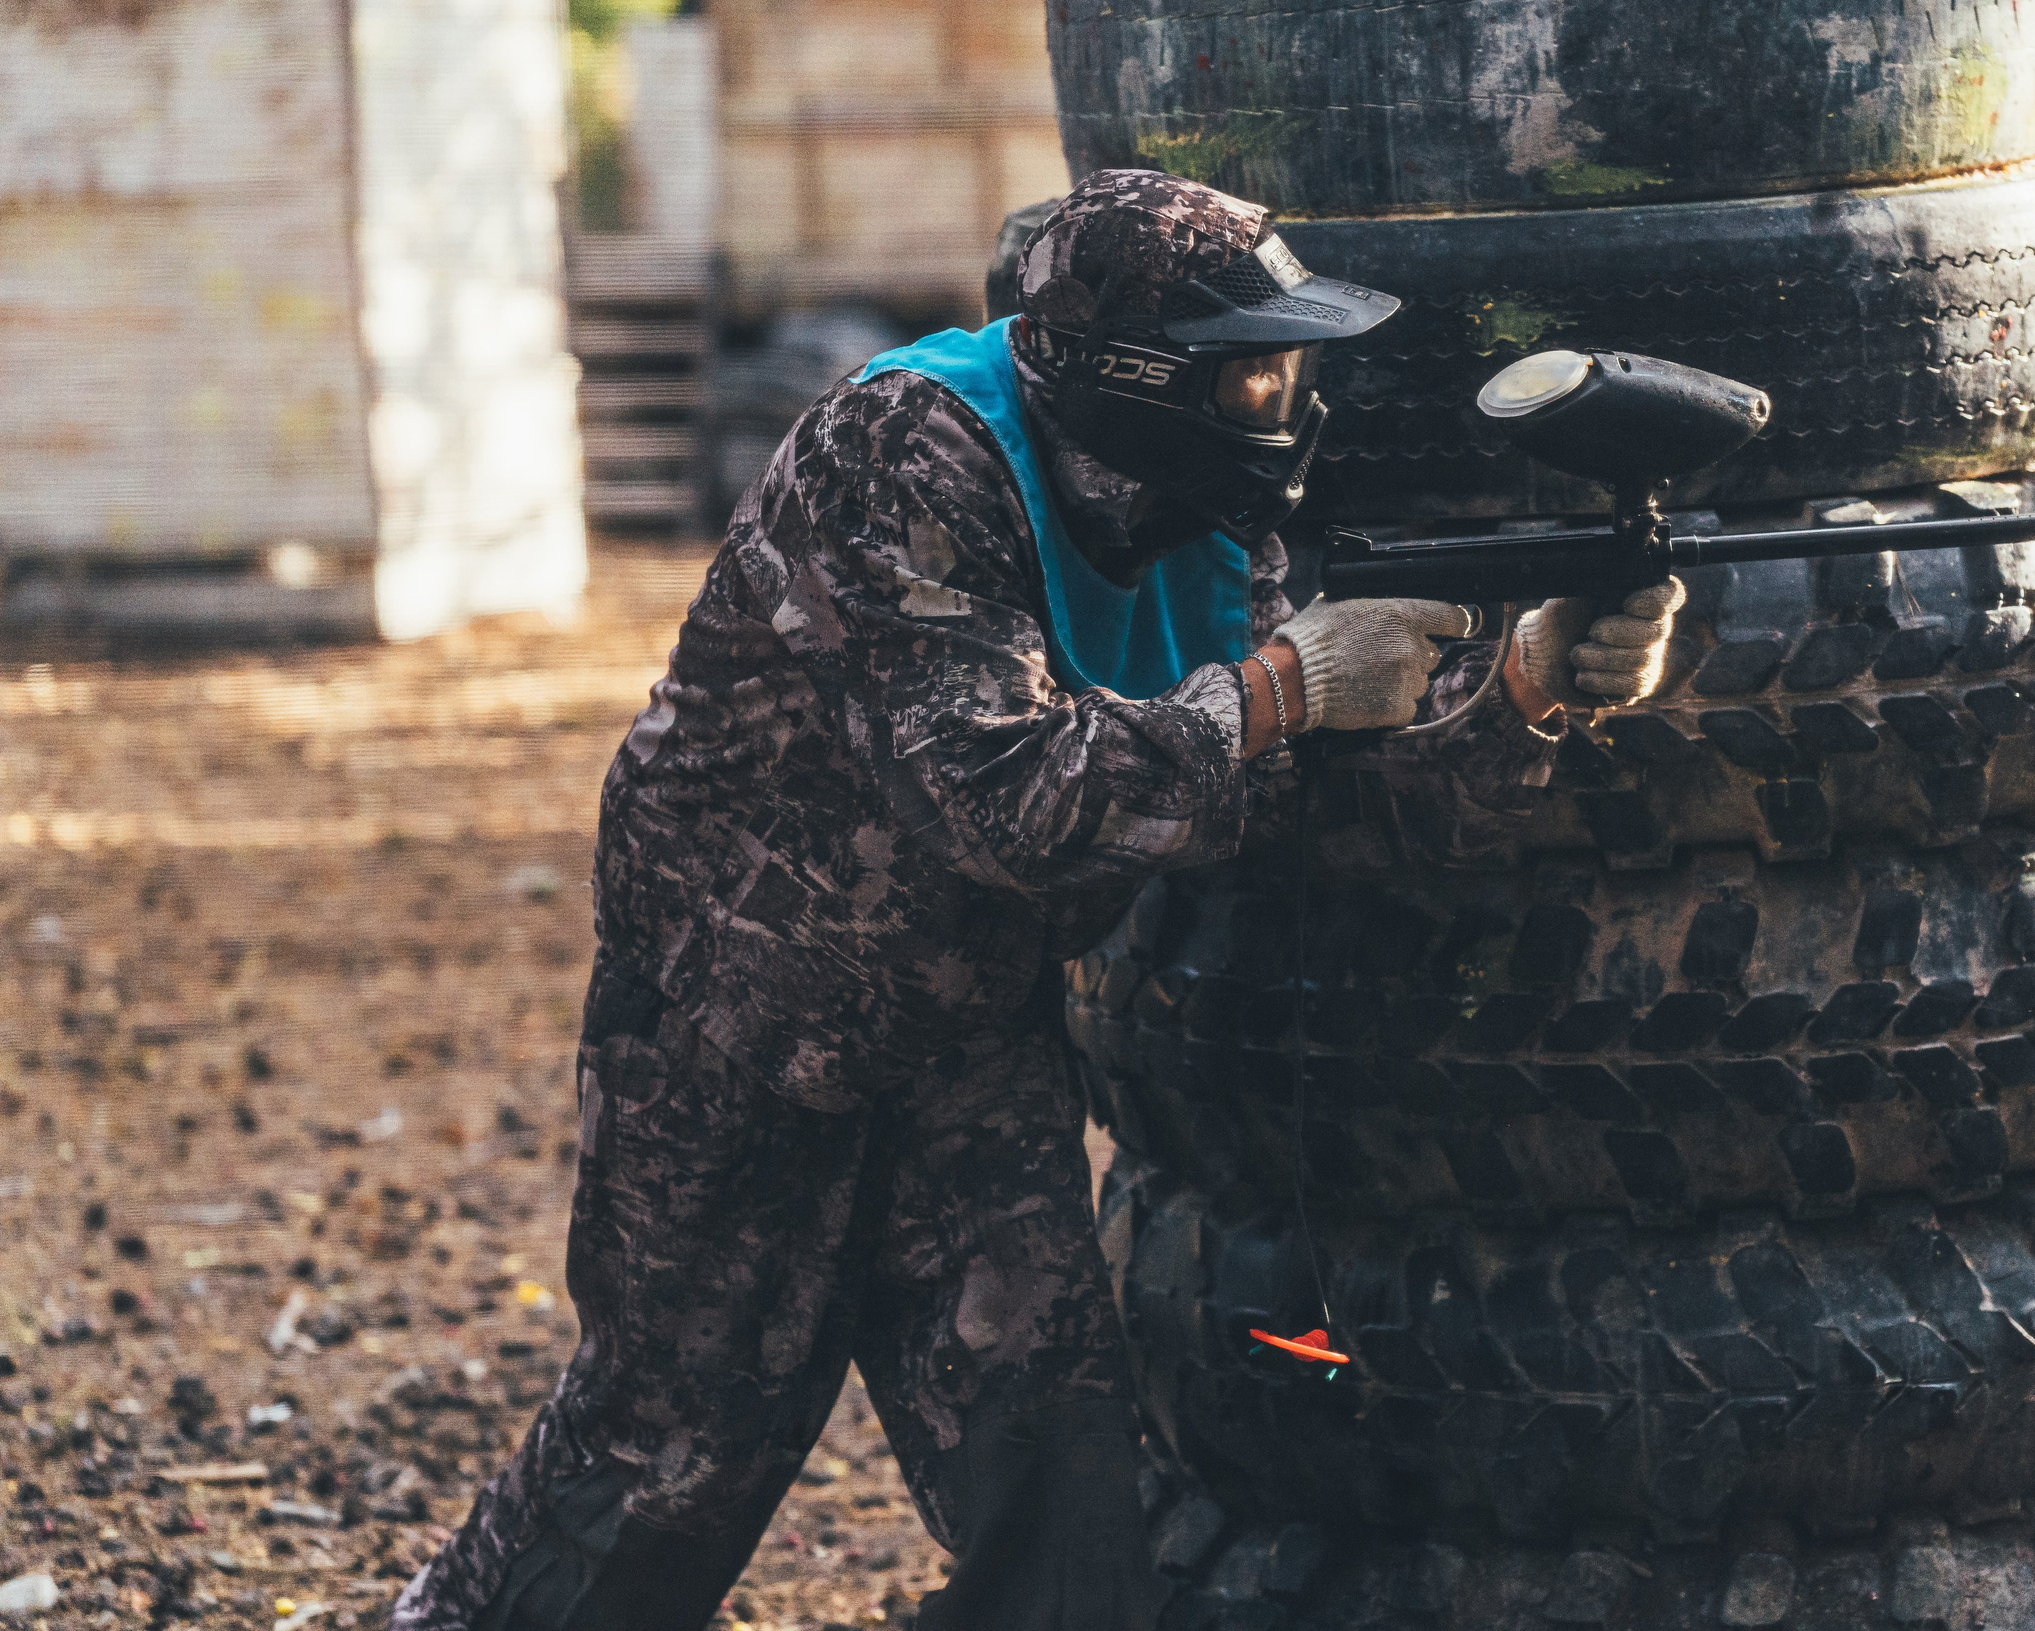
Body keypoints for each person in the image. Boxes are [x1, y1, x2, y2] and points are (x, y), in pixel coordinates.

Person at [391, 170, 1686, 1631]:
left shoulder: (1200, 505)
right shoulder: (904, 452)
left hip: (962, 1035)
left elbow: (1289, 791)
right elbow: (1004, 803)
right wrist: (1282, 690)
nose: (1290, 404)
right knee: (663, 1469)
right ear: (1136, 376)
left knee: (1059, 1499)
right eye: (1258, 370)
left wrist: (1523, 688)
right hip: (738, 1025)